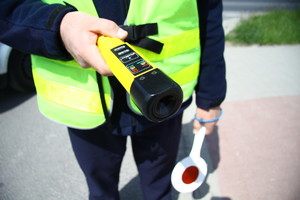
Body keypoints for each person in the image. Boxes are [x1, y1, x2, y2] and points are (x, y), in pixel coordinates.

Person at [0, 0, 226, 199]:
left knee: (159, 185)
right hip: (85, 102)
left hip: (164, 96)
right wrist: (58, 25)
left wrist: (211, 96)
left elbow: (209, 14)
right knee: (101, 190)